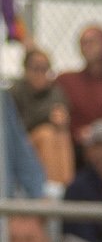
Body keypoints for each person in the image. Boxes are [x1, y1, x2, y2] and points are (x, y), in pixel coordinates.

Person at [8, 43, 72, 187]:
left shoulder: (55, 91)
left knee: (61, 135)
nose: (40, 74)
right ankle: (49, 187)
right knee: (46, 134)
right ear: (26, 70)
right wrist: (47, 116)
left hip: (53, 139)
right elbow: (18, 127)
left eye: (44, 69)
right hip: (22, 144)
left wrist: (61, 120)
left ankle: (65, 186)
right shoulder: (16, 92)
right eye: (35, 69)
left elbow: (62, 114)